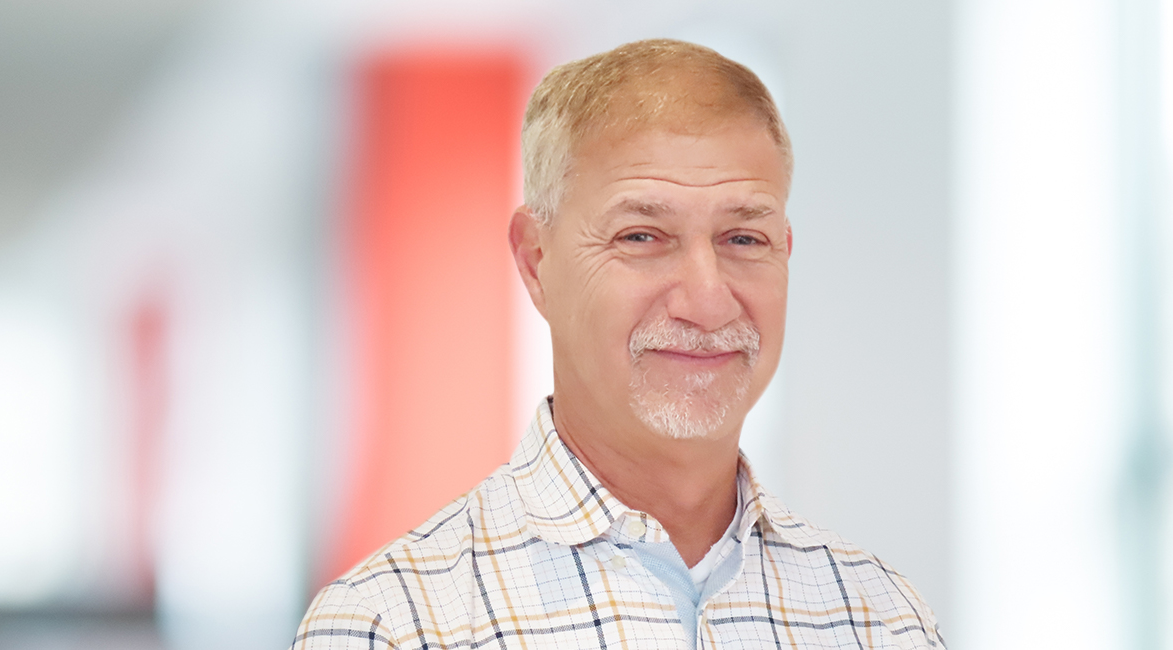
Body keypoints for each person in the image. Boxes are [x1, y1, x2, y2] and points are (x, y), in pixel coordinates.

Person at [291, 39, 944, 649]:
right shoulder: (395, 626)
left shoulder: (881, 618)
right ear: (537, 261)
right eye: (642, 237)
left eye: (743, 239)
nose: (707, 300)